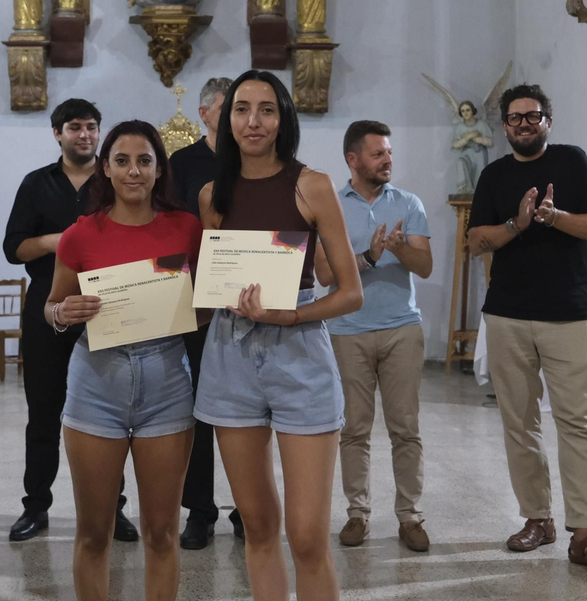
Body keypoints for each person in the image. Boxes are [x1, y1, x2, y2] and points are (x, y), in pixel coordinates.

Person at [192, 70, 364, 601]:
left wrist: (287, 317)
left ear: (283, 118)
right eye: (242, 109)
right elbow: (212, 283)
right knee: (259, 527)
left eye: (267, 109)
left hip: (299, 350)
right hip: (230, 355)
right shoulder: (210, 196)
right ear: (224, 119)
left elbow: (350, 292)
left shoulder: (310, 184)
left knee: (307, 535)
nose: (253, 121)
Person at [465, 84, 587, 572]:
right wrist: (517, 225)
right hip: (508, 314)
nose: (524, 124)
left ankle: (585, 532)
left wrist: (554, 218)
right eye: (514, 118)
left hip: (568, 313)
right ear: (505, 127)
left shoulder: (572, 162)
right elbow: (475, 242)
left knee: (577, 422)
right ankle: (538, 519)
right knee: (521, 423)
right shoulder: (493, 175)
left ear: (547, 122)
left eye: (533, 116)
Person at [47, 121, 202, 601]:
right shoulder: (79, 235)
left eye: (144, 161)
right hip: (97, 379)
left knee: (161, 532)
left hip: (166, 379)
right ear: (105, 169)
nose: (133, 171)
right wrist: (62, 313)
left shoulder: (187, 228)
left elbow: (209, 299)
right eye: (122, 161)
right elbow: (52, 305)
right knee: (95, 533)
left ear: (159, 170)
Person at [2, 99, 138, 543]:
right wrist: (58, 241)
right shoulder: (35, 184)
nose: (85, 135)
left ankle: (113, 510)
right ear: (57, 133)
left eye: (92, 127)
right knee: (43, 412)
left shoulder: (115, 179)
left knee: (110, 415)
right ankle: (35, 507)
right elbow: (14, 249)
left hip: (108, 306)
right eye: (75, 127)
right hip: (47, 306)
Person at [316, 121, 434, 552]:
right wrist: (369, 256)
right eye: (377, 154)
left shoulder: (408, 202)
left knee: (405, 427)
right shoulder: (331, 205)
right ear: (353, 159)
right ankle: (357, 514)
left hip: (402, 328)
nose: (388, 161)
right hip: (348, 331)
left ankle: (410, 516)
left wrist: (400, 248)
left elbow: (424, 266)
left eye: (389, 153)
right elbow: (324, 274)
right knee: (354, 430)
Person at [167, 75, 240, 549]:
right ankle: (200, 510)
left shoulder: (255, 160)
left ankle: (247, 507)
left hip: (246, 297)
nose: (240, 117)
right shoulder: (181, 163)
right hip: (195, 299)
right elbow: (172, 227)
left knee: (243, 410)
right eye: (229, 106)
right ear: (205, 114)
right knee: (196, 409)